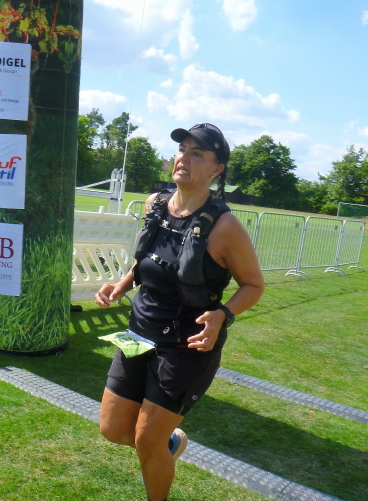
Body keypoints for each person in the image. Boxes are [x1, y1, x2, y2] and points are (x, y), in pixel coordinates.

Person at [94, 123, 264, 501]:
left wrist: (223, 314)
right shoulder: (156, 204)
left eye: (197, 153)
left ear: (216, 169)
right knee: (112, 428)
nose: (184, 158)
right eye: (182, 150)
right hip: (138, 334)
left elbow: (254, 284)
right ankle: (168, 444)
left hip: (186, 347)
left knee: (146, 439)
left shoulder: (225, 227)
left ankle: (157, 459)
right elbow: (147, 261)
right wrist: (121, 285)